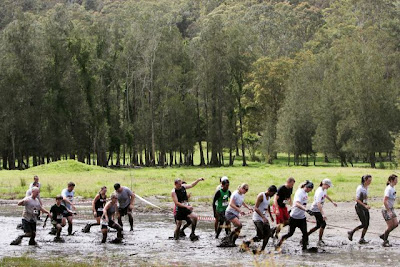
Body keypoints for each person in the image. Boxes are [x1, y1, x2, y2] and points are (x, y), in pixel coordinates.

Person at [276, 180, 314, 251]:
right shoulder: (300, 192)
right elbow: (297, 203)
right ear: (308, 187)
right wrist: (306, 209)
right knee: (290, 233)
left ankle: (304, 248)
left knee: (305, 234)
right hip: (294, 217)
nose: (310, 191)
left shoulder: (305, 193)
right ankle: (279, 244)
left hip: (302, 217)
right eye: (310, 189)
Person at [307, 179, 337, 246]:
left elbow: (325, 195)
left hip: (318, 209)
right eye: (328, 186)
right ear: (324, 184)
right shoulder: (319, 192)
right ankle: (319, 240)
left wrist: (332, 202)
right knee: (323, 224)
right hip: (315, 209)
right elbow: (318, 204)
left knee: (318, 225)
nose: (328, 187)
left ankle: (306, 236)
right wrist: (323, 214)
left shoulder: (324, 190)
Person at [252, 185, 277, 251]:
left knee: (268, 234)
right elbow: (256, 208)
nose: (273, 195)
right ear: (269, 191)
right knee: (260, 236)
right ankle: (247, 243)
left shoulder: (268, 197)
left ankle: (262, 249)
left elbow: (267, 205)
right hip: (257, 218)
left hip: (264, 218)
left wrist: (271, 216)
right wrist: (262, 217)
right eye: (273, 193)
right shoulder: (261, 196)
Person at [347, 175, 372, 244]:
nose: (370, 182)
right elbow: (357, 199)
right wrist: (364, 205)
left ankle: (362, 238)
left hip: (364, 206)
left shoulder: (366, 187)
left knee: (367, 224)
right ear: (365, 180)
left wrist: (366, 204)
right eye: (369, 180)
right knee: (364, 223)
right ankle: (352, 232)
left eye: (370, 180)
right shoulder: (360, 188)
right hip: (359, 207)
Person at [380, 174, 398, 247]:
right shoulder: (389, 189)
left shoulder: (393, 188)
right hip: (386, 209)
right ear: (391, 181)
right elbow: (385, 201)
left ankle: (384, 235)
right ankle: (385, 241)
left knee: (396, 224)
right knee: (390, 226)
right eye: (396, 180)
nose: (397, 181)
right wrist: (389, 211)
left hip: (391, 208)